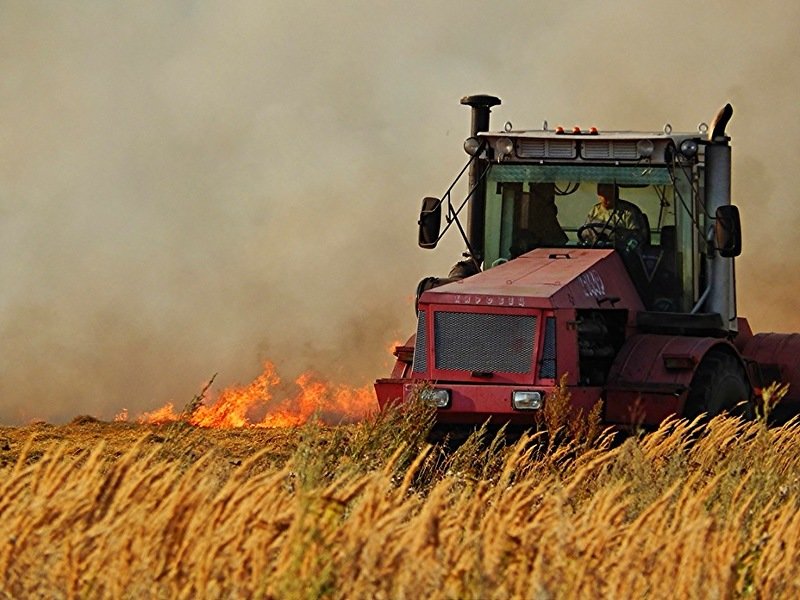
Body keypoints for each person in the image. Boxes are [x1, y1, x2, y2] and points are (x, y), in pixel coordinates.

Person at [581, 183, 648, 248]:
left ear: (616, 194)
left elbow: (637, 236)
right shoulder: (594, 211)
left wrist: (620, 234)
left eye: (608, 194)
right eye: (602, 194)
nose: (605, 198)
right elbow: (585, 234)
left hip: (620, 251)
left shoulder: (628, 212)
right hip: (596, 248)